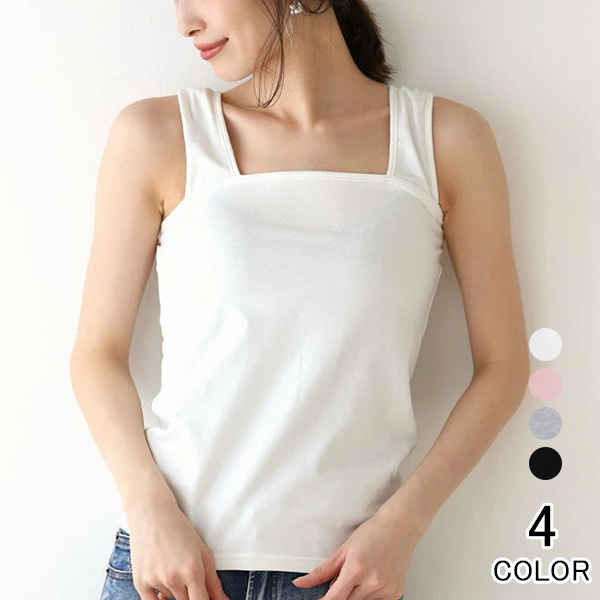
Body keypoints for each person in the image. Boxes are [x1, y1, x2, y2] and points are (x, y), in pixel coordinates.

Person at [69, 1, 530, 600]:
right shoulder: (158, 134)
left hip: (344, 578)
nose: (184, 23)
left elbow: (503, 367)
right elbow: (96, 354)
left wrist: (404, 525)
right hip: (173, 567)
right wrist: (148, 509)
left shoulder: (443, 140)